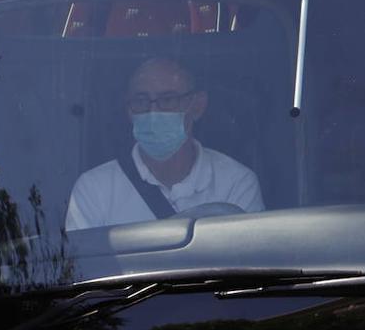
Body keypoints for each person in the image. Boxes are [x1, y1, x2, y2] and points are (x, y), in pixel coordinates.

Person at [65, 57, 264, 230]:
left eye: (168, 99)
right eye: (141, 101)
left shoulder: (236, 183)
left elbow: (245, 264)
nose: (153, 112)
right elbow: (83, 271)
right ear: (128, 110)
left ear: (197, 106)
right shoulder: (94, 189)